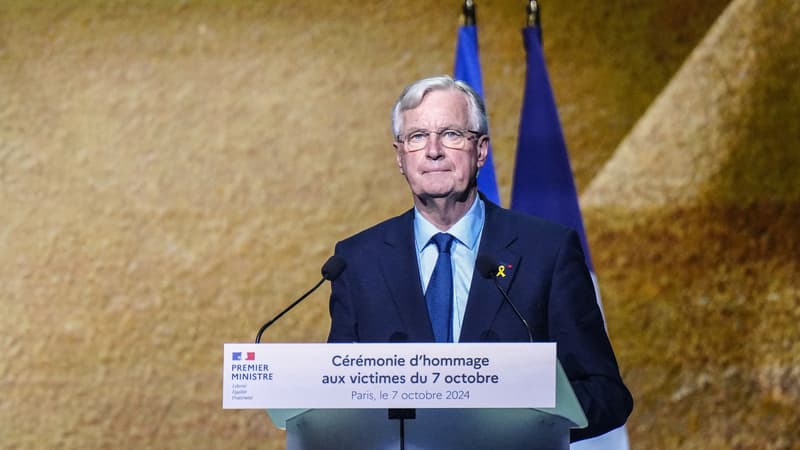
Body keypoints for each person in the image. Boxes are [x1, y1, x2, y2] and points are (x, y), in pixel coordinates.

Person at [327, 75, 632, 441]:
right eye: (417, 136)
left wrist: (525, 422)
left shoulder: (547, 252)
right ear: (399, 157)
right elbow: (337, 395)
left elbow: (606, 393)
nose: (434, 150)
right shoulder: (356, 261)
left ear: (481, 151)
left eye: (452, 134)